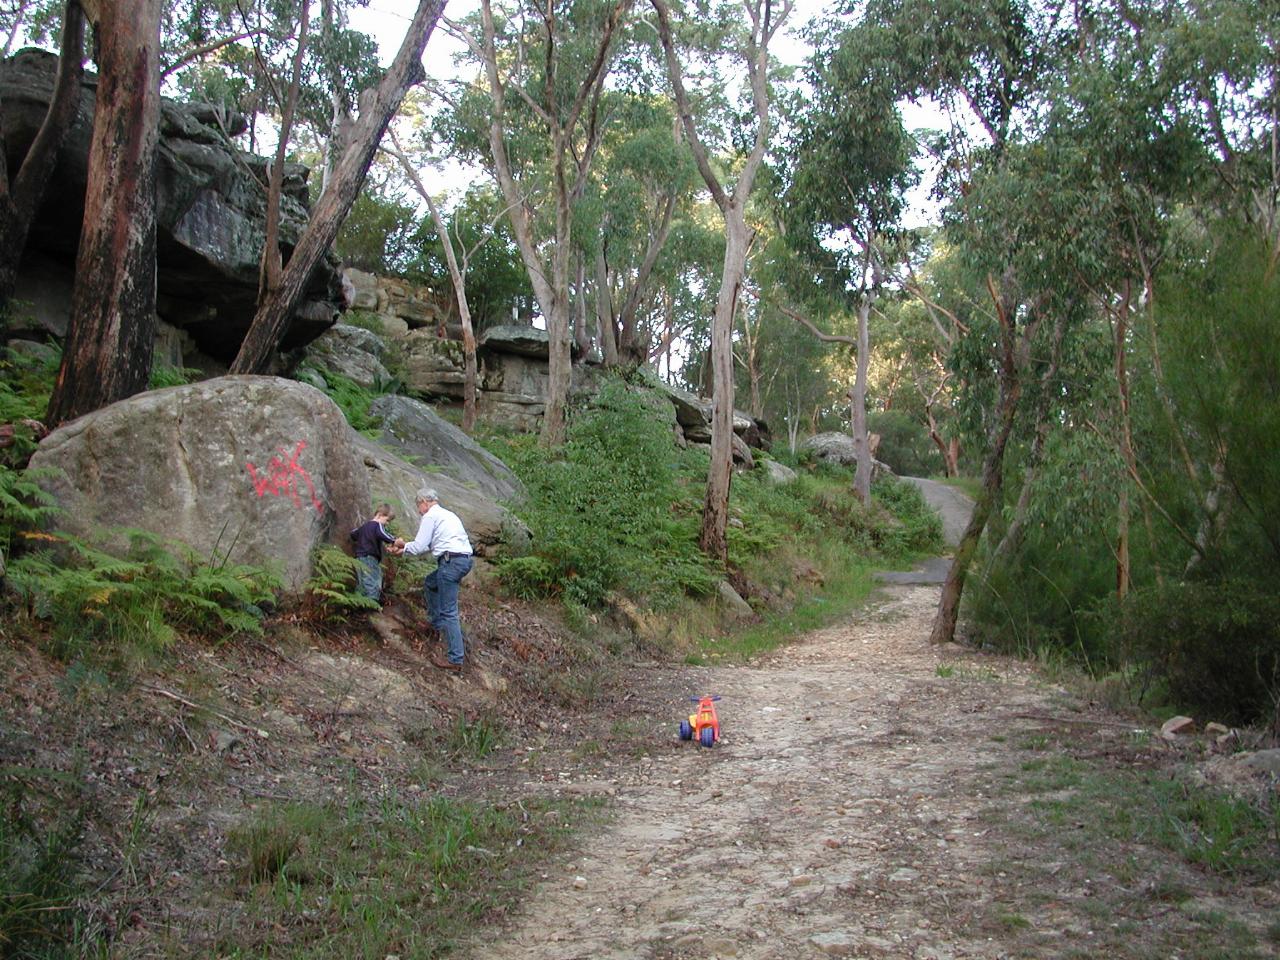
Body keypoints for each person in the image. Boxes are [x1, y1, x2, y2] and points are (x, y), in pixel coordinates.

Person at [391, 487, 474, 671]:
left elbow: (421, 546)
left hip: (449, 563)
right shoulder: (448, 515)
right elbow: (434, 543)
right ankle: (435, 623)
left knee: (449, 611)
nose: (419, 511)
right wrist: (406, 546)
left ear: (424, 502)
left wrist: (402, 550)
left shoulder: (430, 516)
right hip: (463, 560)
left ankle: (455, 659)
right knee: (430, 583)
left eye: (418, 506)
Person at [349, 503, 397, 603]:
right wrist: (394, 540)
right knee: (372, 579)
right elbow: (384, 535)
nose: (387, 523)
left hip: (359, 558)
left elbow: (353, 534)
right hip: (370, 557)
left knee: (361, 581)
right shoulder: (377, 525)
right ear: (379, 515)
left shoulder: (364, 526)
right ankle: (372, 603)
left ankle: (360, 603)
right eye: (387, 520)